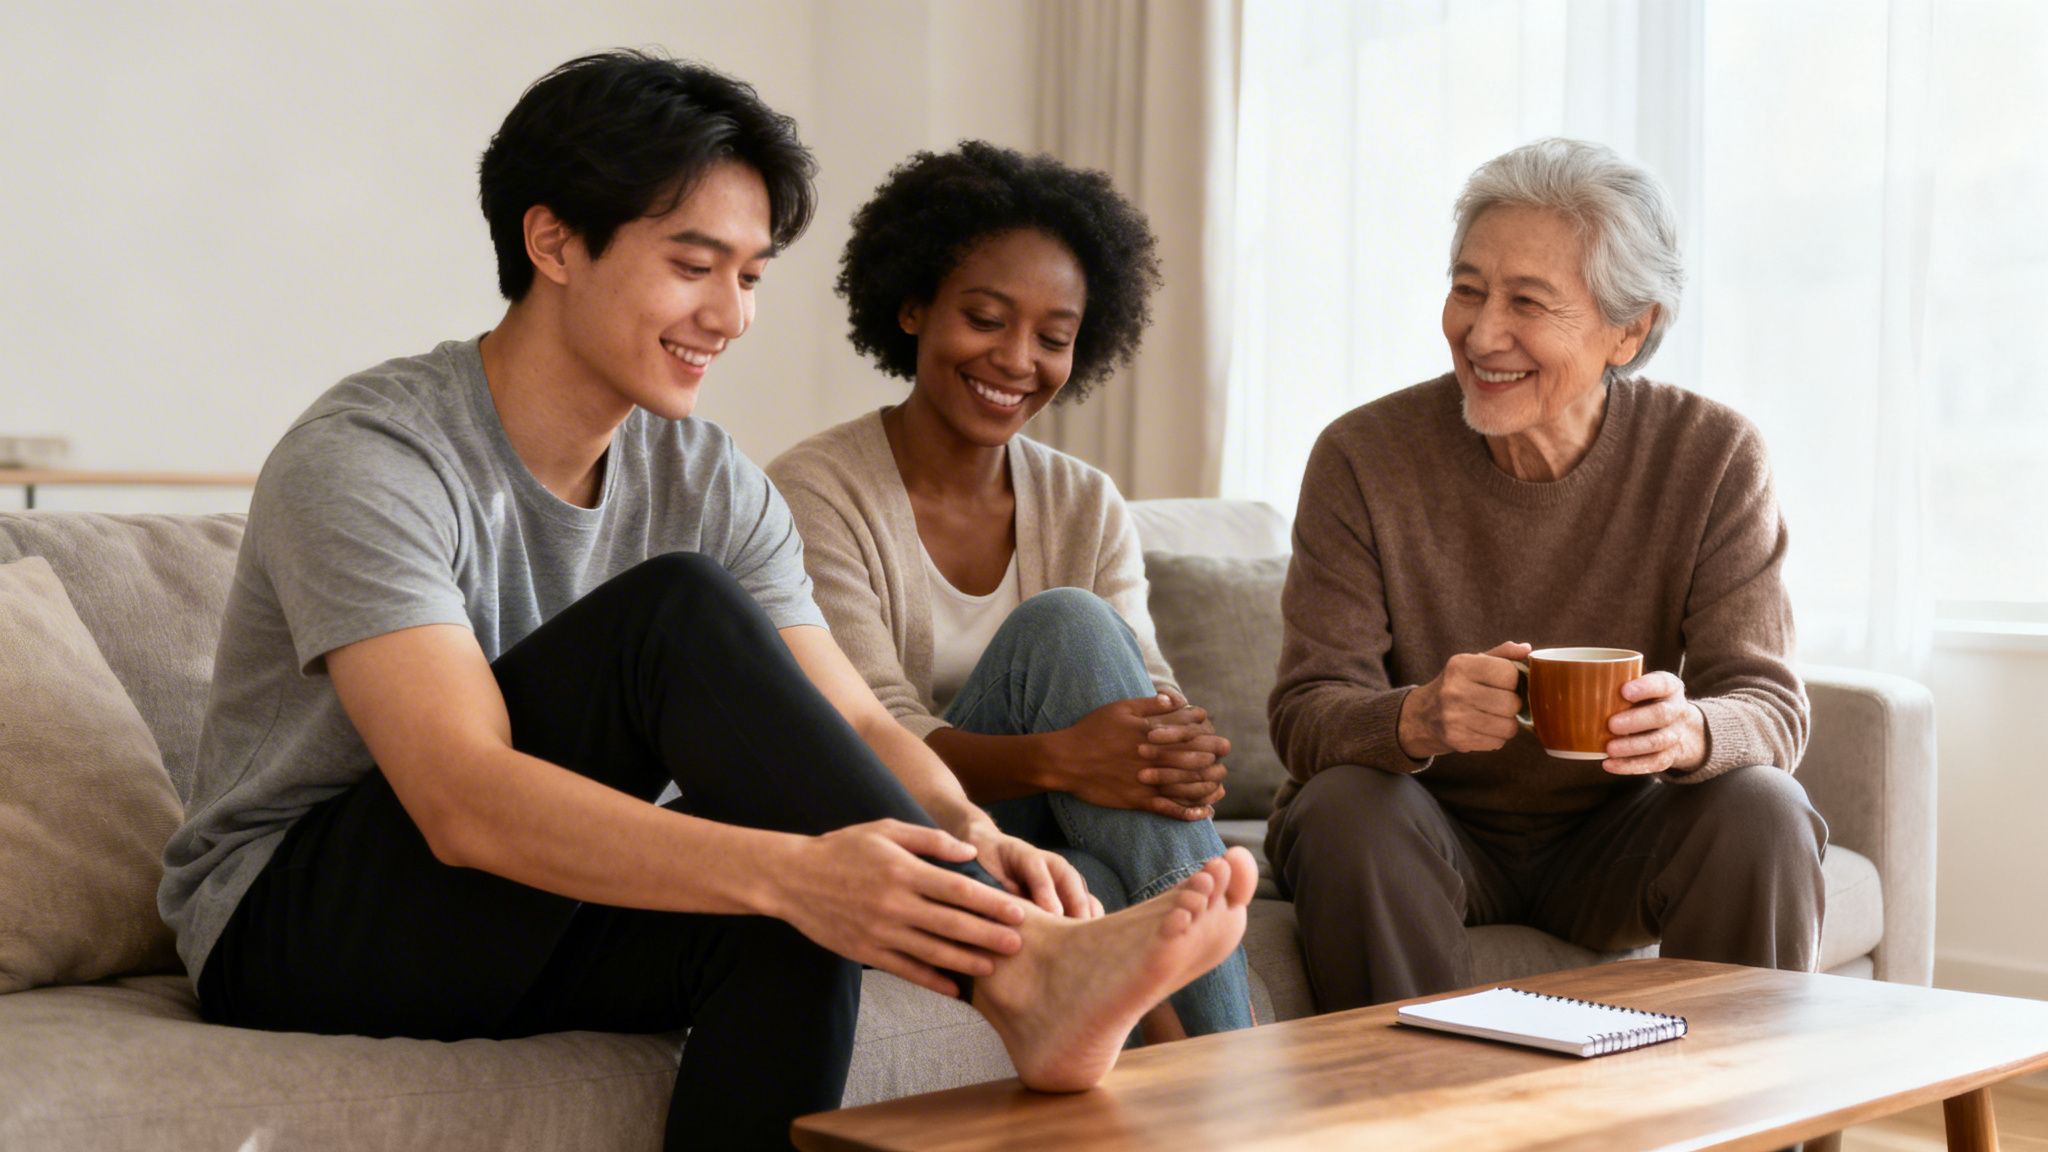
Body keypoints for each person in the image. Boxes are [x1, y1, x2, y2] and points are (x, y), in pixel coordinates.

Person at [157, 51, 1255, 1149]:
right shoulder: (372, 452)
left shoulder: (705, 475)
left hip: (530, 913)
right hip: (297, 926)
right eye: (695, 265)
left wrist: (966, 833)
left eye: (751, 275)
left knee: (787, 923)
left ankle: (1035, 973)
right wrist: (804, 867)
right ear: (553, 242)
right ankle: (1022, 983)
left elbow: (859, 720)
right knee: (675, 627)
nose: (728, 316)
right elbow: (464, 799)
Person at [1265, 137, 1825, 1012]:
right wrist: (1417, 717)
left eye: (1528, 301)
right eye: (1467, 289)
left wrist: (1690, 732)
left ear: (1629, 328)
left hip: (1616, 837)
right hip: (1425, 829)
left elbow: (1769, 704)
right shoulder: (1361, 457)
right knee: (1343, 811)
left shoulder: (1712, 456)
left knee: (1763, 808)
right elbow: (1305, 715)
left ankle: (1746, 1135)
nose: (1483, 334)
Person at [768, 142, 1255, 1041]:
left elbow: (1143, 697)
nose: (1017, 360)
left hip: (1034, 845)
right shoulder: (813, 492)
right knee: (1065, 625)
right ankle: (1229, 1079)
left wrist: (1177, 748)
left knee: (1100, 886)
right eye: (986, 319)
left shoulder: (1081, 502)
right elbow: (867, 730)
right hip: (896, 822)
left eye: (1054, 338)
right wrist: (1062, 758)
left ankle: (1191, 1080)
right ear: (912, 305)